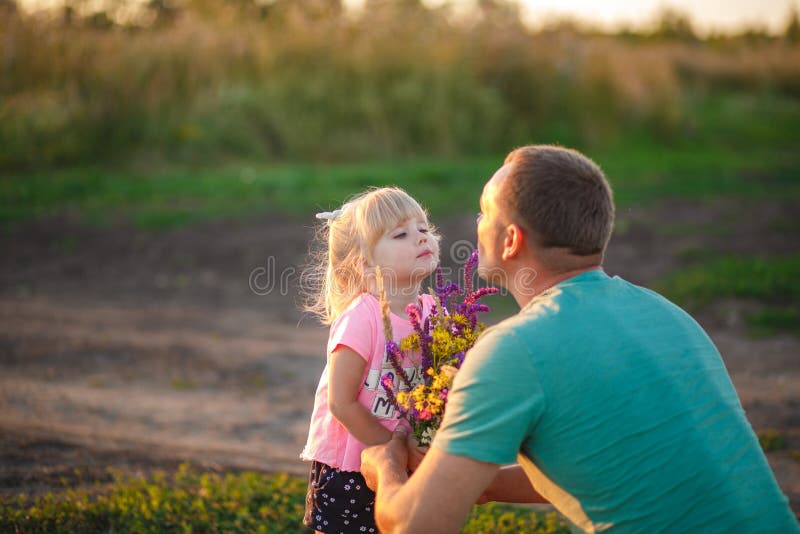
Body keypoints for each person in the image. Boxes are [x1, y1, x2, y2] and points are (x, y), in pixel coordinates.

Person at [360, 145, 799, 533]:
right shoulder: (666, 314)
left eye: (484, 213)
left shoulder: (515, 348)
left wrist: (385, 468)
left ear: (511, 240)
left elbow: (415, 526)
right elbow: (620, 459)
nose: (477, 224)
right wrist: (488, 486)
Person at [300, 187, 441, 533]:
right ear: (365, 263)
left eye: (424, 228)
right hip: (350, 467)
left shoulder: (432, 310)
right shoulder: (361, 318)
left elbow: (440, 384)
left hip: (406, 457)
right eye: (401, 234)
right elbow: (342, 403)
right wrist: (394, 448)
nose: (421, 237)